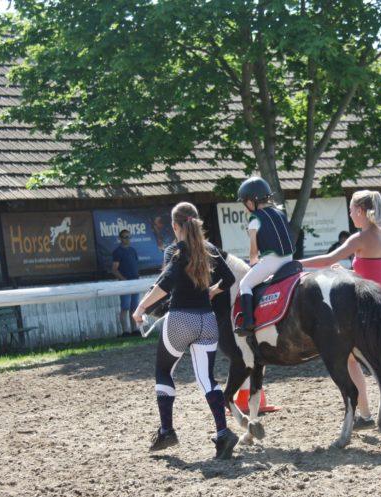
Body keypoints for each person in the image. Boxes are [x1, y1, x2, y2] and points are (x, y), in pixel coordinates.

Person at [300, 190, 381, 437]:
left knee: (351, 360)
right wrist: (347, 272)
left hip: (376, 311)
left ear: (360, 211)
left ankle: (366, 415)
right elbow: (375, 275)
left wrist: (297, 264)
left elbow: (327, 259)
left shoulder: (359, 238)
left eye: (351, 210)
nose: (350, 215)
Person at [132, 201, 239, 460]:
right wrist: (212, 291)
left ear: (174, 226)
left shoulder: (177, 251)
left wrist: (141, 308)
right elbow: (230, 279)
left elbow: (165, 284)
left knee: (163, 371)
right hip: (207, 321)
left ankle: (167, 431)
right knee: (207, 380)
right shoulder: (209, 249)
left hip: (180, 320)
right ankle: (223, 433)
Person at [236, 177, 295, 332]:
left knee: (245, 284)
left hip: (271, 262)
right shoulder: (280, 213)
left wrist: (252, 264)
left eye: (244, 203)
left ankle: (248, 322)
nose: (245, 207)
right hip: (290, 260)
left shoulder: (254, 219)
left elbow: (254, 252)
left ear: (250, 202)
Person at [111, 229, 141, 337]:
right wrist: (124, 280)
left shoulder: (133, 250)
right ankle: (125, 331)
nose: (127, 239)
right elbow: (114, 269)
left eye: (128, 237)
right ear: (120, 238)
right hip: (124, 284)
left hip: (135, 282)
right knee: (125, 308)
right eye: (124, 237)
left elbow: (135, 265)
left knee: (134, 308)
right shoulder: (118, 251)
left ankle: (135, 330)